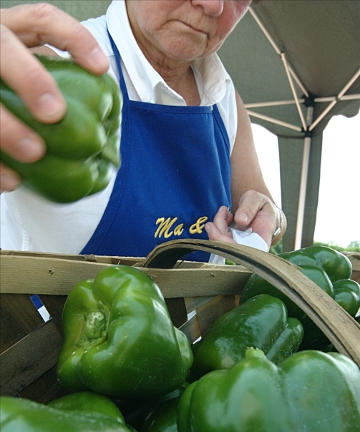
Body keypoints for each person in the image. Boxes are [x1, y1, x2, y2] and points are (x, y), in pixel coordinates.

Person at [0, 1, 286, 260]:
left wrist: (273, 218)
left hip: (194, 319)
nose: (212, 4)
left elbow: (264, 209)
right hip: (40, 318)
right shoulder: (46, 69)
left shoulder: (223, 98)